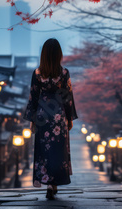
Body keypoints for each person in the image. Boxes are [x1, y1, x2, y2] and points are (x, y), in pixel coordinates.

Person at [23, 38, 78, 200]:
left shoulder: (38, 73)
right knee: (58, 150)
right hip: (58, 116)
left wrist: (32, 120)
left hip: (42, 115)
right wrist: (70, 118)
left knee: (43, 151)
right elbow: (68, 97)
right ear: (59, 54)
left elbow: (33, 97)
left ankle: (47, 182)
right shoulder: (64, 73)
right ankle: (54, 184)